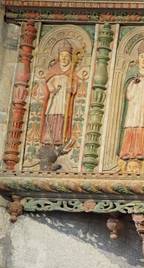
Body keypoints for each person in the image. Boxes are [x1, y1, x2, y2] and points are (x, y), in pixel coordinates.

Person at [117, 40, 144, 174]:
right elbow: (127, 91)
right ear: (138, 58)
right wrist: (135, 83)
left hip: (143, 107)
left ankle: (139, 151)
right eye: (142, 57)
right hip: (132, 107)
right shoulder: (132, 72)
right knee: (130, 126)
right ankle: (127, 151)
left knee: (141, 126)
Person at [38, 39, 81, 170]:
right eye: (62, 56)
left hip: (64, 102)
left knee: (62, 118)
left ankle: (59, 138)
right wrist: (52, 89)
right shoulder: (53, 70)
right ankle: (49, 139)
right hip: (55, 99)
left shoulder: (71, 73)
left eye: (66, 56)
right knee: (51, 117)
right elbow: (48, 83)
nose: (64, 59)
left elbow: (74, 86)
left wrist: (71, 88)